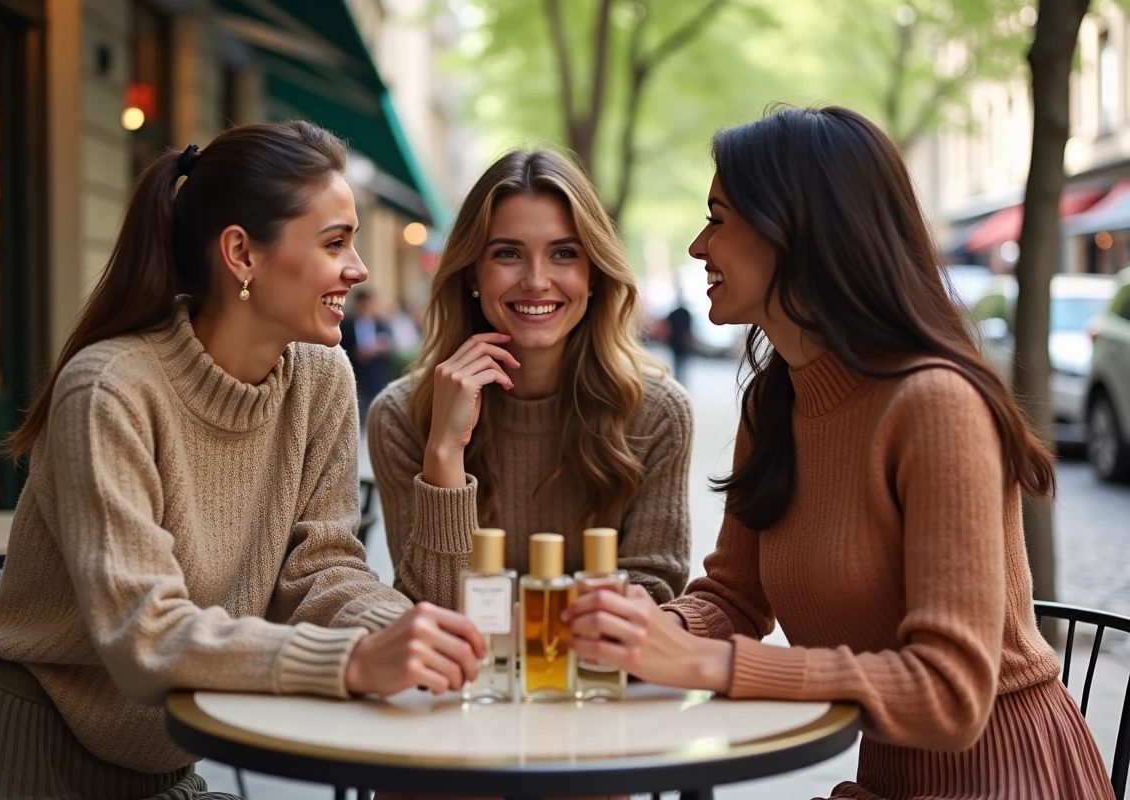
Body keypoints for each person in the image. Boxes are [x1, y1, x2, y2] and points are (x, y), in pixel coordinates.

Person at [563, 107, 1113, 800]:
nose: (700, 247)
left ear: (796, 230)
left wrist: (713, 665)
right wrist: (646, 630)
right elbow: (735, 595)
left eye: (719, 217)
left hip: (1006, 778)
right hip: (887, 776)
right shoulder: (775, 404)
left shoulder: (934, 404)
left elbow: (951, 695)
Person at [0, 122, 483, 799]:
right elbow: (146, 634)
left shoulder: (321, 376)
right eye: (336, 242)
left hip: (162, 772)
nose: (360, 269)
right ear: (242, 254)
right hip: (17, 762)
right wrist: (354, 660)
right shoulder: (110, 387)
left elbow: (322, 567)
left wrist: (413, 636)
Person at [367, 149, 693, 608]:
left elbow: (651, 598)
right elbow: (435, 611)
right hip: (470, 680)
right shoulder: (401, 416)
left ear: (594, 274)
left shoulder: (656, 411)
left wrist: (534, 641)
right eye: (507, 253)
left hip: (595, 678)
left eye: (563, 253)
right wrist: (444, 452)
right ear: (472, 274)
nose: (537, 281)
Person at [340, 288, 394, 424]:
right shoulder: (346, 324)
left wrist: (381, 347)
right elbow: (341, 346)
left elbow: (389, 344)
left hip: (375, 370)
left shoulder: (380, 323)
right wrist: (356, 352)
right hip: (354, 369)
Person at [664, 300, 695, 385]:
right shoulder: (686, 313)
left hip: (675, 341)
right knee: (682, 361)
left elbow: (667, 326)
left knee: (677, 361)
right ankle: (680, 379)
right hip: (682, 341)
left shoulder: (674, 313)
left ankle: (678, 378)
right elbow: (689, 329)